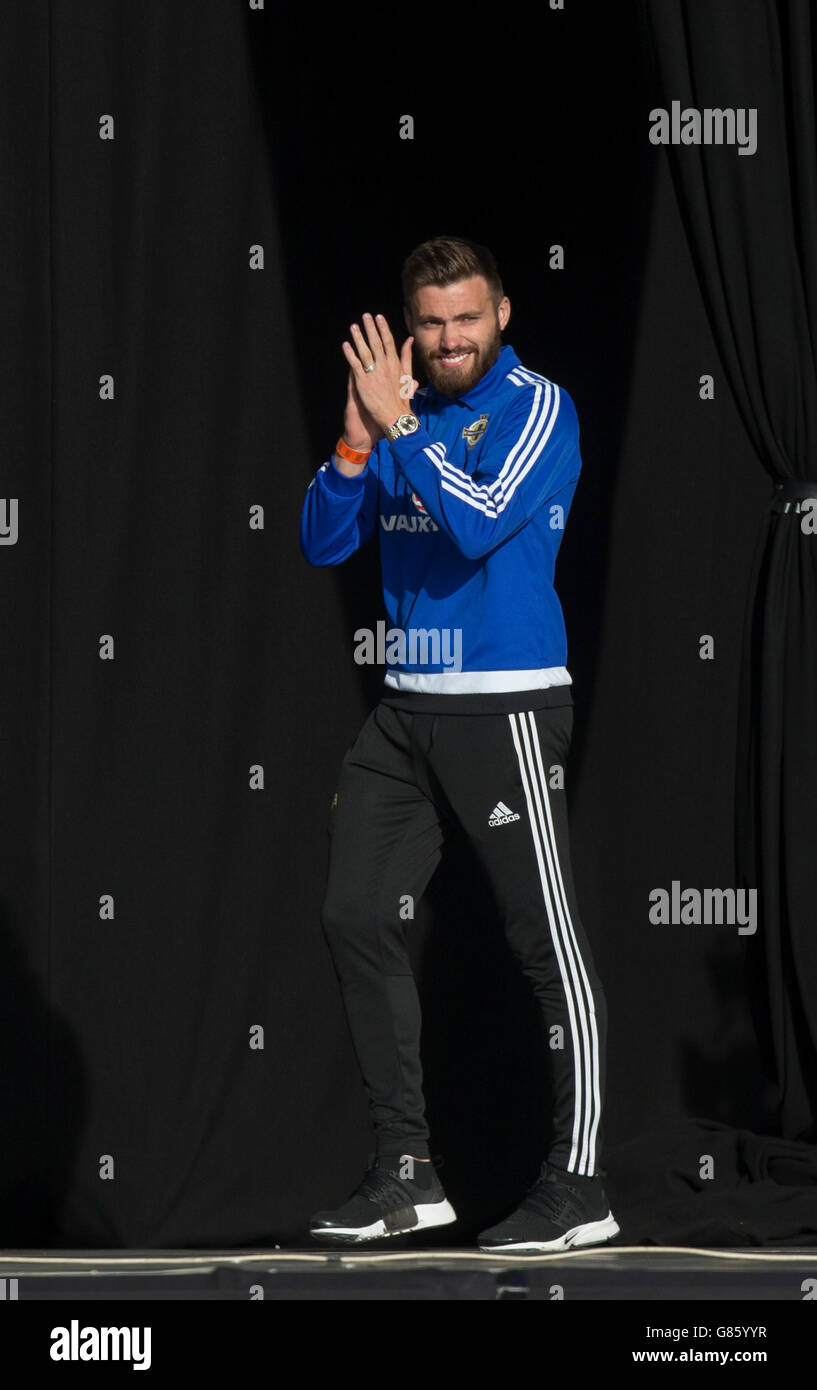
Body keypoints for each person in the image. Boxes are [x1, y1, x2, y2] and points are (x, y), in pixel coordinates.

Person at [299, 236, 619, 1253]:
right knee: (353, 911)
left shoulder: (540, 407)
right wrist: (356, 445)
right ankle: (406, 1174)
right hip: (407, 707)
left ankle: (581, 1186)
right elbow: (321, 539)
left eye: (465, 319)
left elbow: (480, 521)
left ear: (502, 315)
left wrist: (399, 425)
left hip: (505, 701)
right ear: (409, 326)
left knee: (546, 945)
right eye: (430, 323)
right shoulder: (406, 414)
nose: (447, 340)